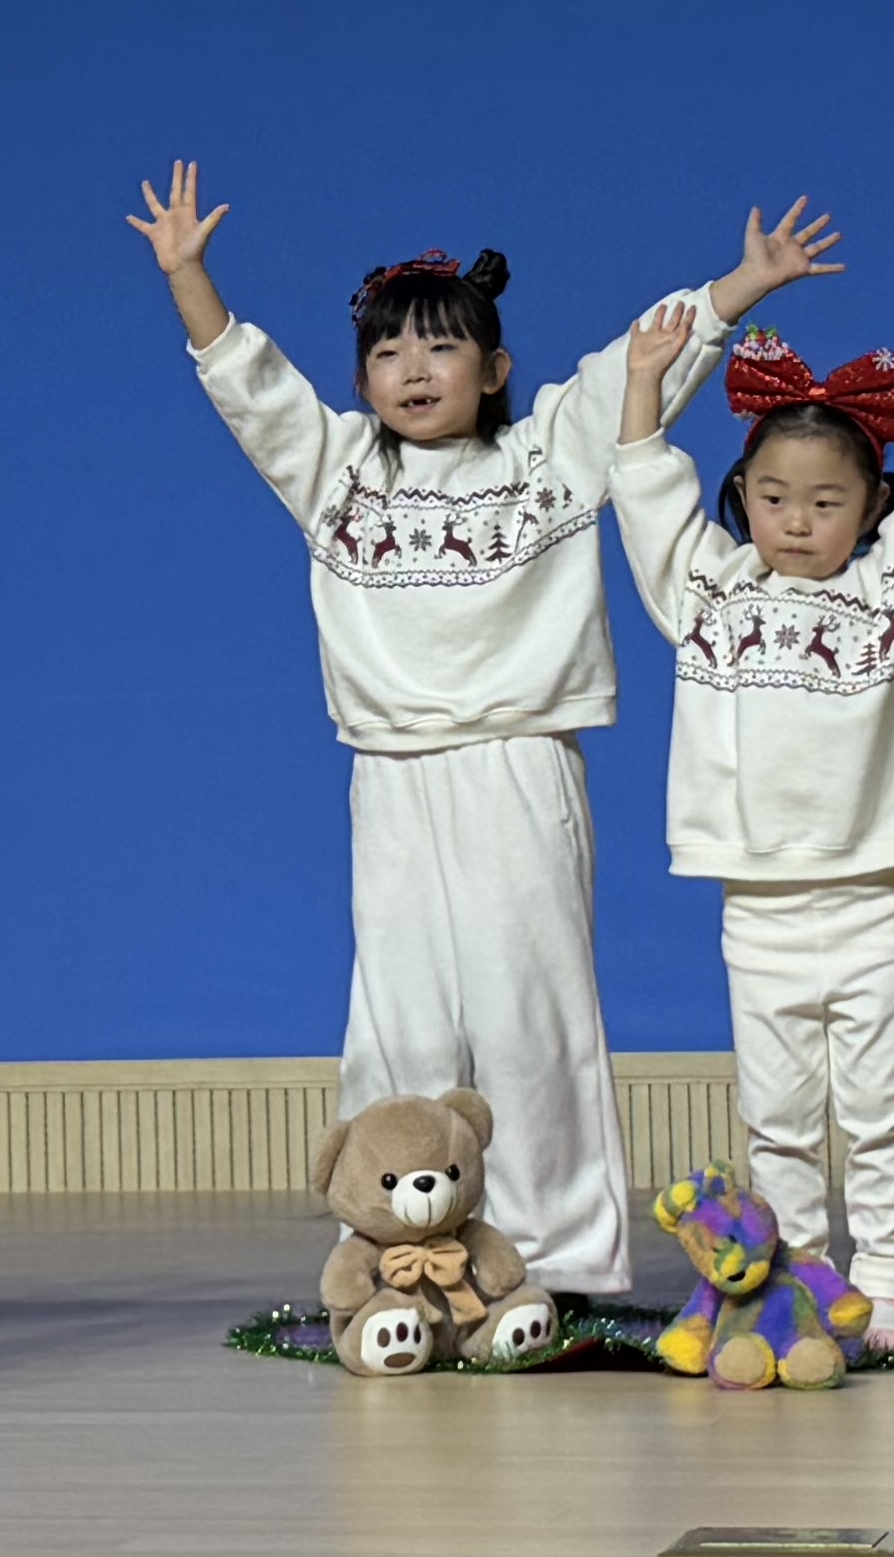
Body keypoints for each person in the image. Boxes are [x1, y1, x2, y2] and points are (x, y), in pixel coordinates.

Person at [139, 169, 843, 1296]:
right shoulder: (335, 471)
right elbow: (249, 384)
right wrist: (189, 277)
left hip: (521, 760)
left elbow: (640, 365)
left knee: (531, 1017)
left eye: (441, 347)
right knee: (400, 1022)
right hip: (393, 771)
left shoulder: (550, 453)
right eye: (387, 353)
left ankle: (552, 1259)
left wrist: (739, 288)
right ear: (362, 380)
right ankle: (393, 1254)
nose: (414, 369)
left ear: (496, 368)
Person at [610, 293, 894, 1354]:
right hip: (758, 905)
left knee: (880, 1109)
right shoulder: (708, 592)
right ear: (742, 496)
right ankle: (805, 1282)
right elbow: (644, 493)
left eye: (826, 501)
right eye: (773, 497)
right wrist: (641, 385)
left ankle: (889, 1283)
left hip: (874, 900)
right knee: (776, 1118)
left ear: (872, 508)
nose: (797, 520)